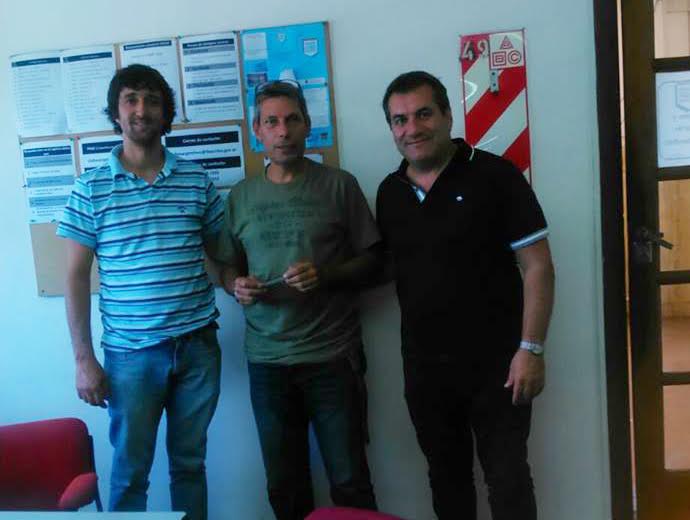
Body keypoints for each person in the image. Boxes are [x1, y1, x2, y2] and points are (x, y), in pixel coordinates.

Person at [376, 71, 555, 520]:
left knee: (508, 480)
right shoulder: (390, 192)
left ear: (447, 116)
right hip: (426, 370)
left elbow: (538, 266)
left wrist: (531, 349)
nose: (412, 128)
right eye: (399, 120)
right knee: (446, 481)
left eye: (423, 114)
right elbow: (390, 268)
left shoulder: (495, 176)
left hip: (499, 367)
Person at [57, 64, 224, 520]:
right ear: (115, 112)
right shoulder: (90, 188)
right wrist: (84, 360)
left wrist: (240, 281)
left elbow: (221, 256)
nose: (141, 109)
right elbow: (74, 277)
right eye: (130, 99)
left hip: (197, 348)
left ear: (166, 112)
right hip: (130, 356)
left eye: (152, 100)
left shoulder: (196, 180)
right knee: (130, 474)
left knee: (190, 466)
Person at [217, 80, 380, 520]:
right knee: (284, 487)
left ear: (308, 125)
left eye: (292, 120)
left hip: (333, 358)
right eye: (271, 122)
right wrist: (236, 285)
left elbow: (375, 262)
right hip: (266, 362)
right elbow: (226, 267)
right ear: (257, 131)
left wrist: (325, 275)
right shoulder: (241, 196)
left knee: (350, 481)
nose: (283, 131)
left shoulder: (339, 185)